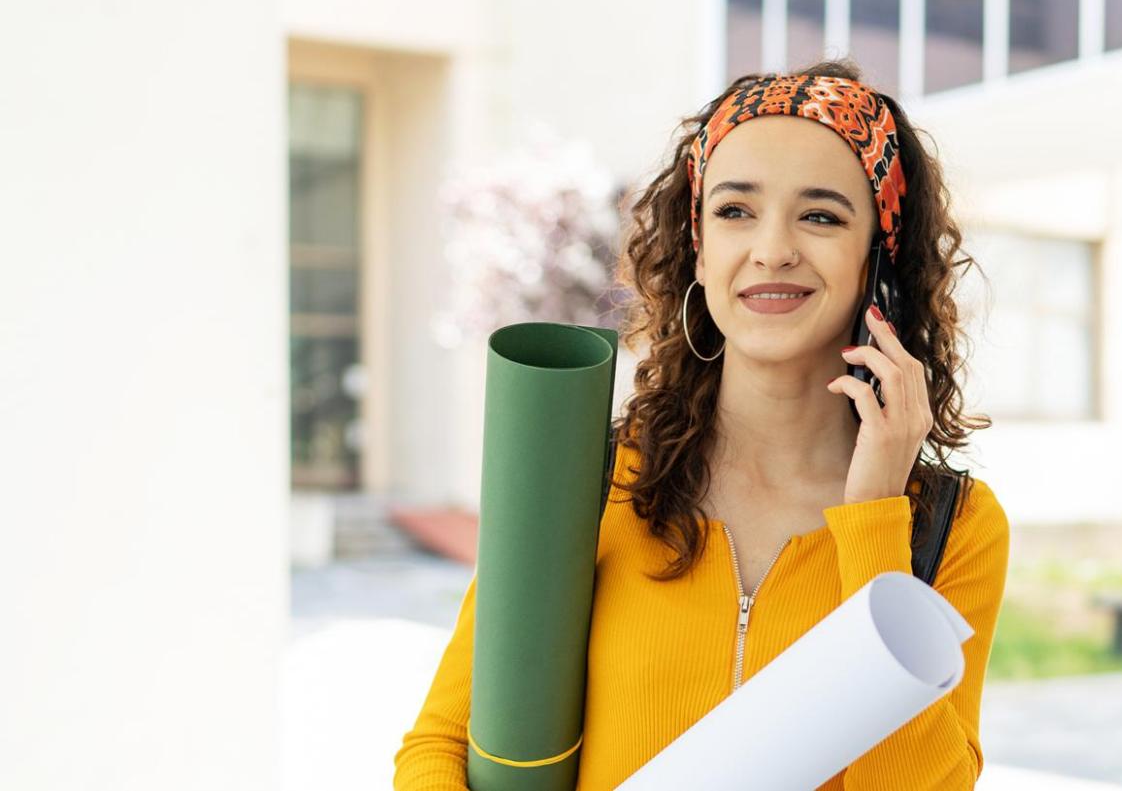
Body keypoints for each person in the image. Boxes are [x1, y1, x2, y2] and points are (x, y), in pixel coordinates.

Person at [393, 60, 1009, 791]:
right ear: (698, 245)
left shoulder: (950, 525)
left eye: (820, 215)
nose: (771, 248)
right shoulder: (593, 483)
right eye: (734, 210)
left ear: (878, 251)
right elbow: (442, 744)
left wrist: (874, 522)